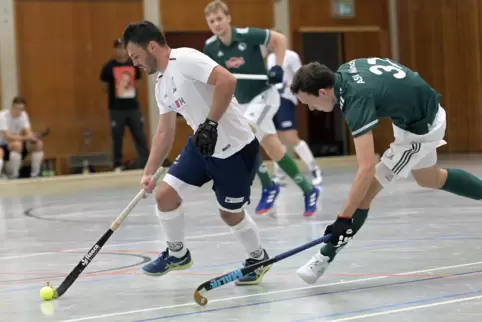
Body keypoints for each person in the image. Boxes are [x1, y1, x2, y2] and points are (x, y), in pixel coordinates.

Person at [290, 57, 482, 284]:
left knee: (366, 191)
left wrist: (344, 217)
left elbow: (366, 167)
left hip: (420, 129)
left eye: (309, 104)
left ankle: (324, 257)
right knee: (430, 179)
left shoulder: (354, 99)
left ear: (322, 92)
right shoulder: (345, 70)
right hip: (418, 114)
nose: (312, 109)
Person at [121, 20, 271, 285]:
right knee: (165, 195)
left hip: (236, 151)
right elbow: (164, 132)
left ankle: (258, 258)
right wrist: (148, 172)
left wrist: (211, 123)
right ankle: (177, 254)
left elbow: (227, 79)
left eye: (136, 56)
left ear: (152, 47)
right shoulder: (161, 84)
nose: (135, 64)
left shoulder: (186, 59)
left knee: (229, 213)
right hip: (202, 146)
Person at [203, 0, 320, 217]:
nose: (217, 24)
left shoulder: (246, 35)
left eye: (219, 18)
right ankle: (309, 189)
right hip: (242, 103)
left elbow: (280, 39)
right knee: (274, 149)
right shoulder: (210, 47)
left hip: (264, 96)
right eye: (212, 21)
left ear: (228, 18)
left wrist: (277, 66)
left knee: (243, 133)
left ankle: (268, 185)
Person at [266, 47, 323, 186]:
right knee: (278, 138)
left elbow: (301, 77)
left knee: (291, 137)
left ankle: (314, 169)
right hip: (273, 100)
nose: (270, 45)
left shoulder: (291, 56)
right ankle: (279, 174)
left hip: (286, 98)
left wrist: (286, 85)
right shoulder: (270, 58)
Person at [100, 38, 150, 171]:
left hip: (133, 107)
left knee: (139, 134)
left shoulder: (134, 65)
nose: (120, 50)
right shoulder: (108, 67)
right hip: (116, 109)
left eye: (123, 47)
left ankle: (146, 161)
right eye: (118, 48)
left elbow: (138, 83)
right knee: (117, 136)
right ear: (114, 50)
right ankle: (117, 163)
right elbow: (104, 86)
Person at [0, 96, 44, 179]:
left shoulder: (23, 115)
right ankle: (15, 175)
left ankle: (35, 174)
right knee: (17, 144)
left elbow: (28, 131)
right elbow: (8, 136)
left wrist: (33, 136)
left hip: (18, 142)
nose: (19, 112)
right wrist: (26, 137)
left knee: (38, 144)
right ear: (12, 107)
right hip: (4, 144)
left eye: (21, 109)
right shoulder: (2, 116)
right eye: (17, 109)